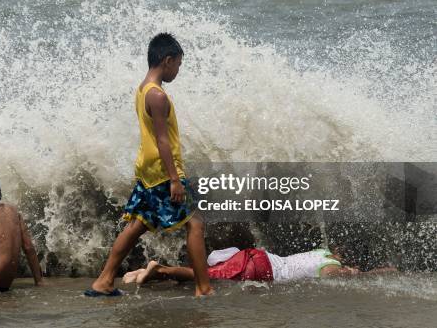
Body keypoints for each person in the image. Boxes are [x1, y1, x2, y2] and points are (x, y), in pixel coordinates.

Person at [86, 33, 213, 297]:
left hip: (147, 170)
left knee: (138, 225)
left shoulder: (143, 88)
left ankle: (104, 280)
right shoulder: (158, 96)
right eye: (178, 64)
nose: (178, 70)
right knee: (195, 224)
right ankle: (204, 288)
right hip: (162, 173)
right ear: (167, 61)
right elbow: (163, 141)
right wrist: (175, 180)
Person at [123, 245, 397, 285]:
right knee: (207, 277)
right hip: (263, 269)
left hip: (254, 255)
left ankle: (148, 272)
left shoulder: (322, 252)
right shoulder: (328, 269)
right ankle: (160, 270)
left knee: (211, 271)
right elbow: (345, 276)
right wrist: (371, 273)